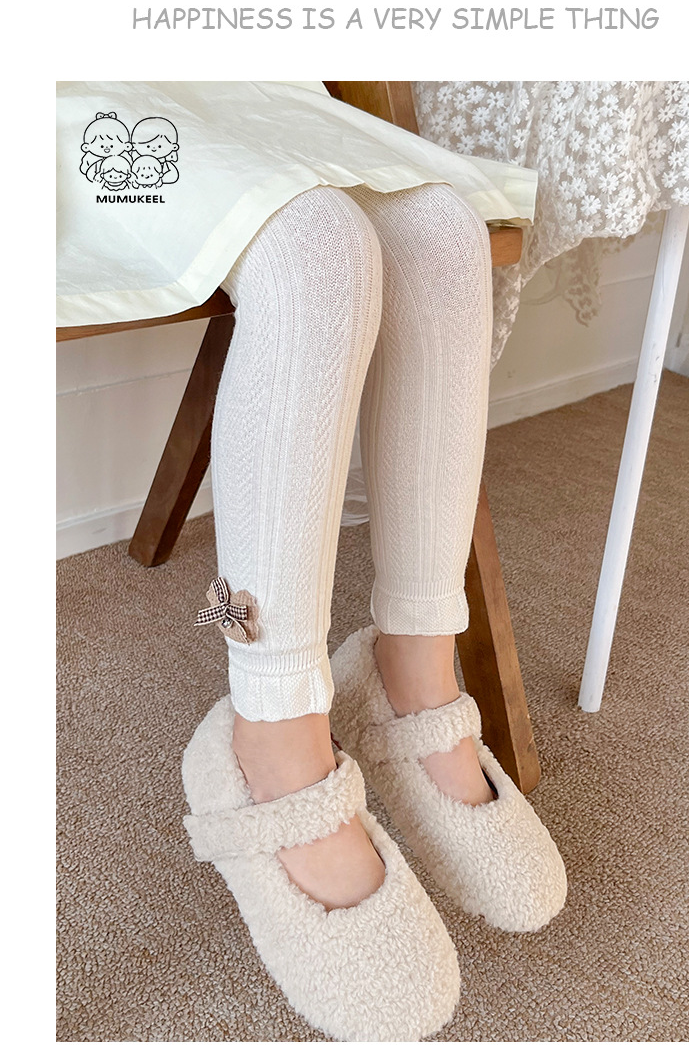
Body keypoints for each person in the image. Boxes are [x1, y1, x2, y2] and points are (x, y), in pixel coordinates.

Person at [58, 81, 566, 1043]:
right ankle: (273, 741)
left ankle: (414, 678)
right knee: (315, 251)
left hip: (227, 74)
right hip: (81, 92)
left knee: (443, 236)